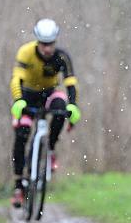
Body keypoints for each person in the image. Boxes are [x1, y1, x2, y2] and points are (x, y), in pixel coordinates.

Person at [9, 18, 81, 208]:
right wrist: (18, 101)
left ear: (55, 41)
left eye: (50, 44)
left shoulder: (61, 57)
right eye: (43, 44)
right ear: (37, 41)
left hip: (49, 93)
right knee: (22, 133)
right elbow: (16, 79)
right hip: (28, 95)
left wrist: (73, 105)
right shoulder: (25, 52)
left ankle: (49, 148)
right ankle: (18, 185)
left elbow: (70, 83)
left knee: (60, 108)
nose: (47, 49)